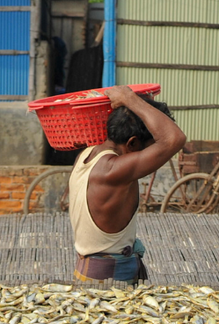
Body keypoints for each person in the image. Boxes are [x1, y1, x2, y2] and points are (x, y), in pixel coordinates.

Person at [68, 86, 186, 286]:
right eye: (150, 147)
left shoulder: (88, 154)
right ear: (132, 144)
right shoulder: (112, 171)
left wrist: (131, 102)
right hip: (108, 280)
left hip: (90, 272)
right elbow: (174, 139)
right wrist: (129, 99)